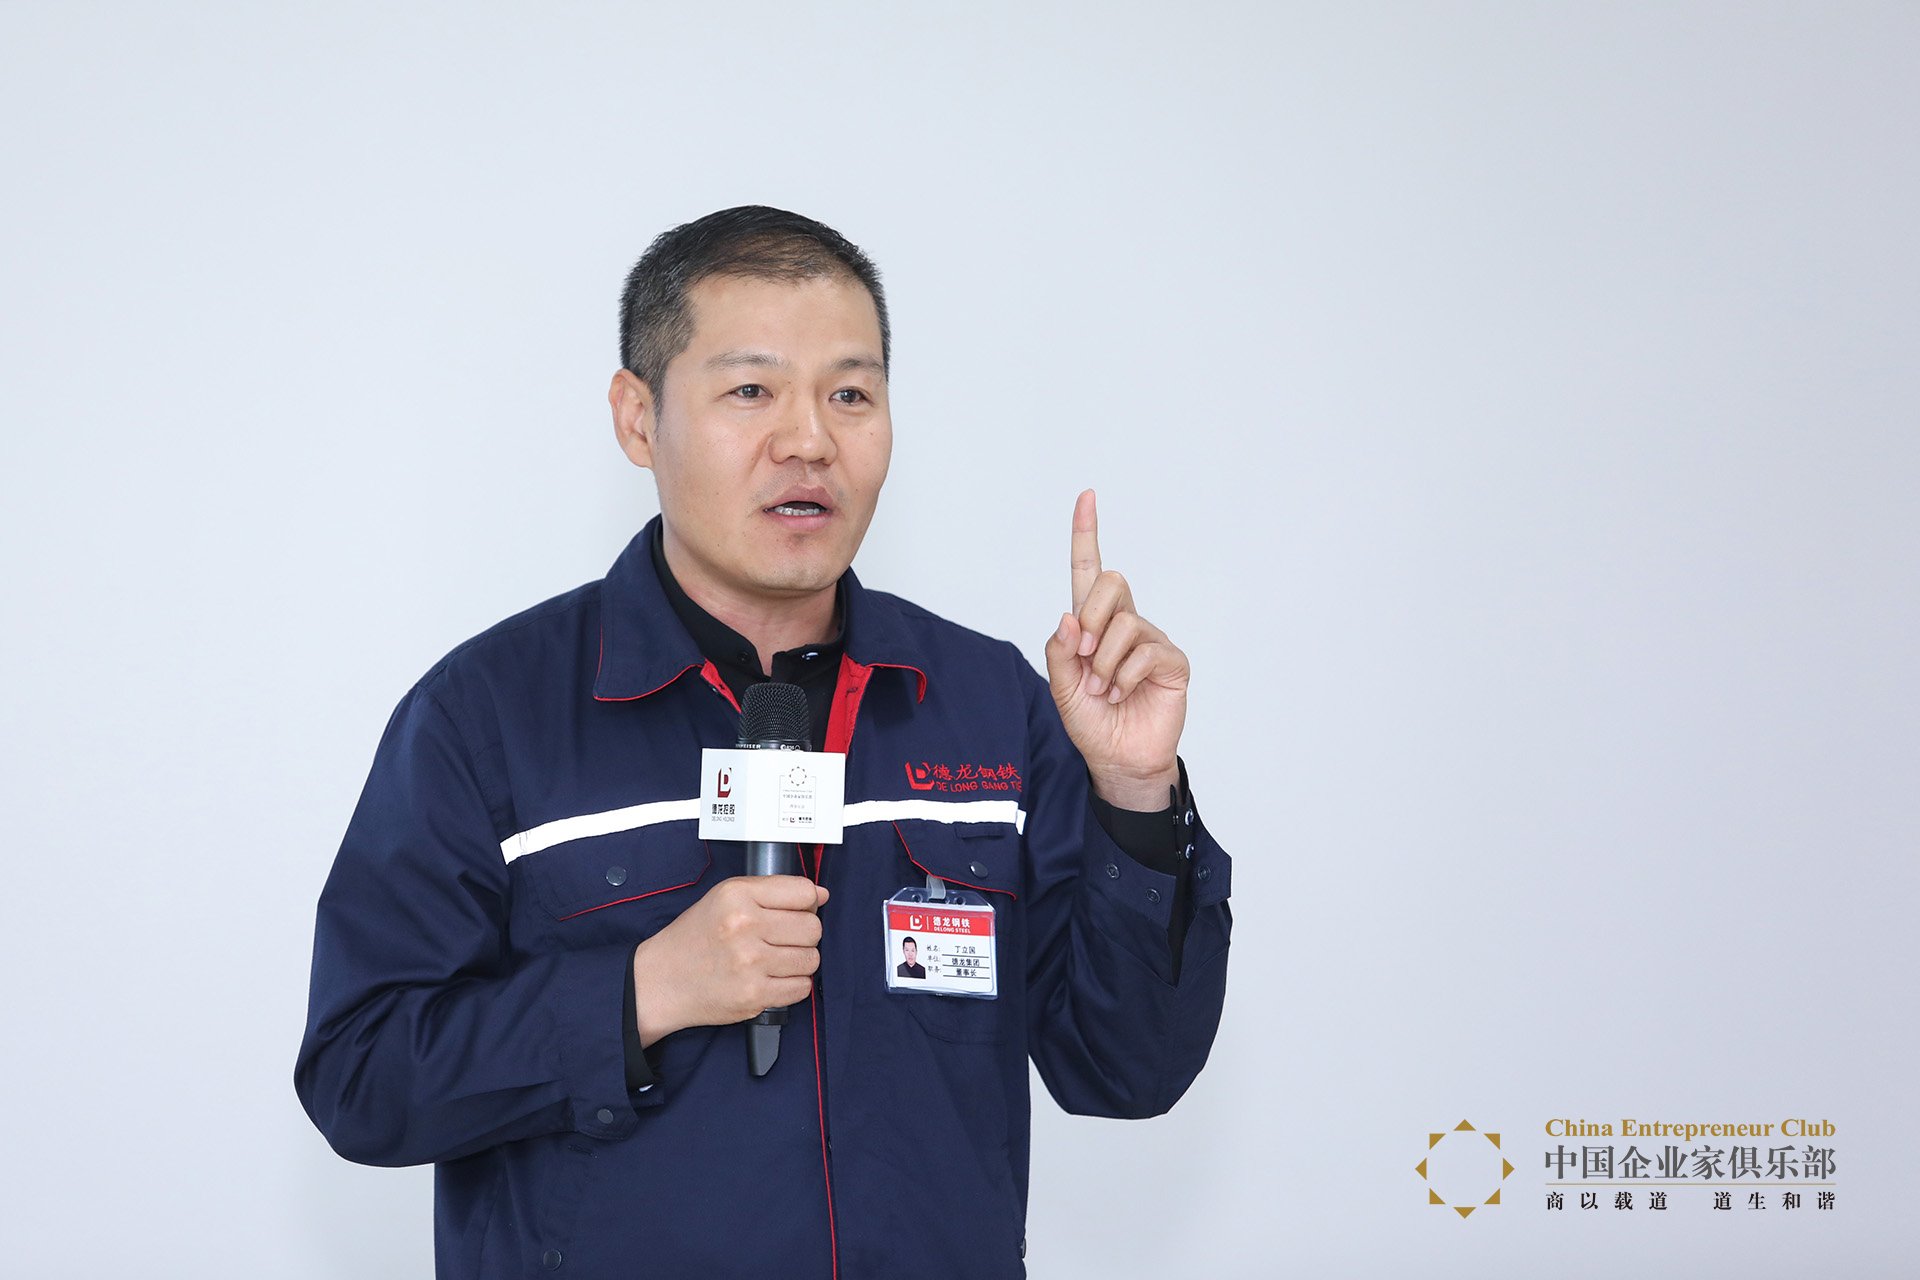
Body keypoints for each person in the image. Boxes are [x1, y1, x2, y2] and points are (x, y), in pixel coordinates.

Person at [295, 206, 1232, 1279]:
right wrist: (643, 991)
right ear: (638, 418)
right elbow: (360, 1078)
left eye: (850, 394)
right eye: (751, 391)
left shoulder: (987, 704)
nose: (810, 441)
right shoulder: (488, 715)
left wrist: (1135, 793)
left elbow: (1127, 1069)